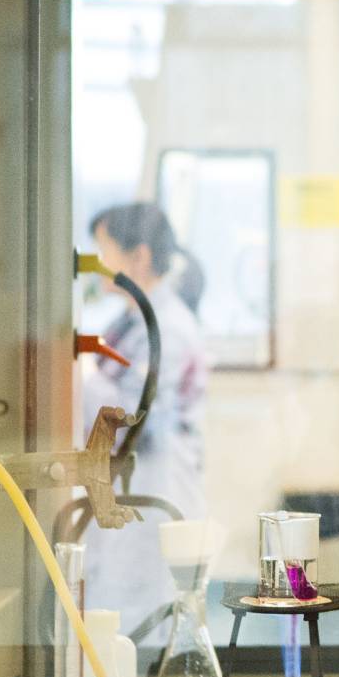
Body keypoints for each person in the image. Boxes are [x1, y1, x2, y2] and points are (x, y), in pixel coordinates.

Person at [80, 202, 211, 637]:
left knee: (144, 627)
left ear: (138, 257)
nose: (96, 262)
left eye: (104, 250)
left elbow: (138, 424)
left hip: (155, 496)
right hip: (132, 497)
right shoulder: (135, 319)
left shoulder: (167, 328)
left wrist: (81, 376)